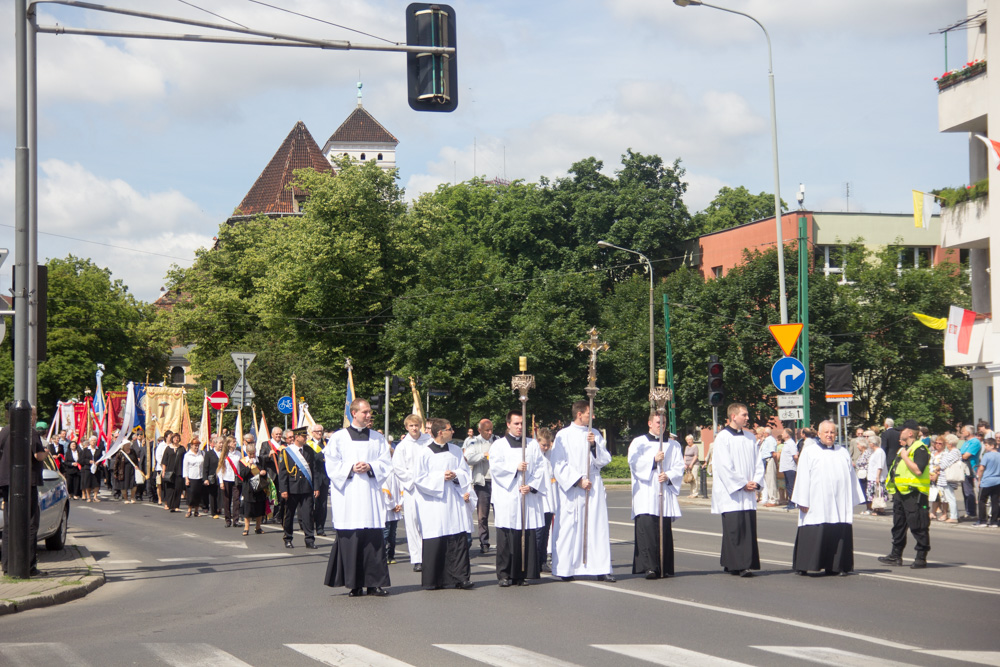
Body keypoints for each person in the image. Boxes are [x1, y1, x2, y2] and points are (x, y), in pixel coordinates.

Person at [324, 398, 392, 596]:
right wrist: (351, 468)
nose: (369, 415)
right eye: (365, 412)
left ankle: (374, 583)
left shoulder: (378, 438)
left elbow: (386, 463)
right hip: (349, 494)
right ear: (354, 413)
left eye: (370, 412)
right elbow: (331, 465)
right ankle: (354, 584)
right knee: (352, 538)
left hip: (370, 494)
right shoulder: (338, 438)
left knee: (373, 539)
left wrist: (371, 466)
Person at [550, 400, 615, 582]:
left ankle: (601, 567)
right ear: (579, 414)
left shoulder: (594, 433)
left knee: (597, 526)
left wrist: (594, 446)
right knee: (570, 527)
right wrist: (577, 480)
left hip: (593, 484)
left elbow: (604, 460)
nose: (592, 417)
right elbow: (557, 463)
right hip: (572, 488)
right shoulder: (563, 435)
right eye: (589, 414)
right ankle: (566, 568)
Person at [791, 421, 865, 576]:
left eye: (832, 432)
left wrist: (852, 498)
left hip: (838, 502)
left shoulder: (842, 452)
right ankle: (805, 565)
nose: (829, 435)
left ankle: (836, 566)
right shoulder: (810, 451)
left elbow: (851, 476)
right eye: (826, 432)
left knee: (837, 530)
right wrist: (802, 499)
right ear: (819, 434)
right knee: (815, 529)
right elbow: (803, 476)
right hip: (816, 501)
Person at [414, 418, 474, 590]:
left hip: (453, 500)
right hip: (434, 502)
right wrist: (441, 477)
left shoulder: (455, 450)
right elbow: (419, 478)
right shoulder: (424, 453)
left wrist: (455, 475)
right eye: (449, 429)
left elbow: (464, 471)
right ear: (440, 432)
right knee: (437, 537)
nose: (453, 431)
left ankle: (460, 577)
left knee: (457, 537)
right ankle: (434, 580)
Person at [489, 410, 547, 587]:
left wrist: (531, 485)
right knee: (506, 537)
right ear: (508, 425)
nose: (520, 427)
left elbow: (540, 467)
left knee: (525, 535)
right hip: (507, 495)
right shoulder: (499, 445)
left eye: (522, 423)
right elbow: (495, 468)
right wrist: (515, 468)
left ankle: (521, 574)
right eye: (516, 423)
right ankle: (504, 574)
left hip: (525, 495)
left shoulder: (532, 444)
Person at [710, 402, 765, 577]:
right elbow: (724, 466)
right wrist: (742, 483)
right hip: (731, 493)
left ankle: (734, 562)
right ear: (733, 416)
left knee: (747, 528)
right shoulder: (722, 438)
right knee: (734, 529)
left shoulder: (750, 438)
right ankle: (739, 564)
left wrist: (755, 482)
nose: (748, 418)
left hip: (748, 492)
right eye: (745, 415)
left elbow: (758, 462)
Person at [627, 412, 684, 579]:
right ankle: (649, 567)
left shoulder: (674, 445)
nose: (662, 425)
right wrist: (653, 460)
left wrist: (668, 475)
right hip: (645, 493)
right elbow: (634, 463)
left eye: (664, 422)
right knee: (647, 531)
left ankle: (664, 566)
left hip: (663, 492)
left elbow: (679, 467)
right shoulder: (639, 442)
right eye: (658, 422)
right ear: (650, 423)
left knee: (663, 530)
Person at [0, 408, 52, 576]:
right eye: (34, 415)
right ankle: (28, 565)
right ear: (29, 416)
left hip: (8, 482)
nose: (35, 419)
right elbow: (38, 456)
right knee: (30, 524)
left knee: (9, 525)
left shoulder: (6, 431)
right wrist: (46, 452)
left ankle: (7, 564)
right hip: (27, 482)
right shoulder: (31, 432)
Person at [879, 424, 931, 569]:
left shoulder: (920, 448)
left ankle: (921, 558)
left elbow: (918, 470)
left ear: (909, 433)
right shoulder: (904, 449)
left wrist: (905, 457)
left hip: (915, 494)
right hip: (901, 493)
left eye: (902, 430)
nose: (899, 433)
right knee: (898, 526)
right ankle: (895, 556)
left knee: (918, 525)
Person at [392, 414, 430, 572]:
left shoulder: (428, 442)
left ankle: (429, 555)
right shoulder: (402, 446)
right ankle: (417, 558)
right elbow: (398, 468)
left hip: (428, 488)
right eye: (411, 426)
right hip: (411, 489)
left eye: (417, 425)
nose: (414, 428)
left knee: (427, 522)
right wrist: (413, 480)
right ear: (406, 427)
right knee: (412, 522)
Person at [277, 429, 323, 549]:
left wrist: (316, 487)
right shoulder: (287, 452)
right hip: (292, 488)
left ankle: (309, 540)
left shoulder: (308, 450)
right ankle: (288, 538)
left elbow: (314, 470)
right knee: (289, 515)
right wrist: (284, 490)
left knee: (308, 514)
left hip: (307, 488)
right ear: (297, 437)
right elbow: (282, 473)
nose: (306, 438)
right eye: (303, 436)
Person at [463, 418, 497, 555]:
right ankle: (484, 542)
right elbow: (468, 458)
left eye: (491, 430)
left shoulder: (497, 440)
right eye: (486, 430)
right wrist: (483, 455)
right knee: (482, 515)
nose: (489, 433)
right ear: (480, 430)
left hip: (496, 482)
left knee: (499, 512)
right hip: (482, 482)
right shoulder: (474, 442)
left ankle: (502, 540)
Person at [535, 427, 556, 572]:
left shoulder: (551, 454)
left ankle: (542, 561)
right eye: (544, 445)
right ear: (538, 442)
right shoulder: (534, 453)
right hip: (537, 497)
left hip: (549, 497)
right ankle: (535, 561)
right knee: (537, 532)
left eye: (548, 444)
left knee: (546, 530)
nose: (546, 447)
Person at [238, 442, 268, 536]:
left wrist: (264, 472)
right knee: (248, 509)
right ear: (247, 452)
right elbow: (242, 475)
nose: (252, 455)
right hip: (249, 488)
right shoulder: (243, 461)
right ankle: (246, 528)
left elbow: (265, 471)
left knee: (259, 508)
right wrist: (249, 466)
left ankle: (258, 527)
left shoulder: (260, 460)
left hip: (259, 487)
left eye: (253, 453)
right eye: (250, 454)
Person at [306, 424, 330, 536]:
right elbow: (311, 459)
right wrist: (322, 454)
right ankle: (309, 525)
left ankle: (320, 528)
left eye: (321, 431)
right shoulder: (308, 445)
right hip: (312, 478)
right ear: (312, 432)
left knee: (323, 505)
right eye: (317, 431)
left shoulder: (327, 444)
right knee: (312, 504)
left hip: (324, 478)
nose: (319, 433)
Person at [258, 427, 285, 524]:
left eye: (280, 434)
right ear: (272, 435)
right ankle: (264, 516)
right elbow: (260, 458)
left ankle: (277, 516)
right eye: (276, 434)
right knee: (267, 496)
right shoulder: (266, 444)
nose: (278, 436)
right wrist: (268, 455)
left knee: (280, 496)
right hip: (270, 473)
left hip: (281, 474)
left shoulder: (284, 445)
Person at [973, 437, 999, 527]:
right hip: (997, 481)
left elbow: (981, 468)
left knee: (982, 501)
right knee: (995, 501)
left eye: (986, 445)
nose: (985, 447)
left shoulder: (987, 455)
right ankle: (994, 521)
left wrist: (979, 479)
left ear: (992, 446)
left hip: (987, 481)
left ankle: (982, 520)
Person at [959, 425, 982, 521]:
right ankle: (968, 511)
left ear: (968, 432)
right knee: (965, 492)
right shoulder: (966, 442)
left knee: (969, 492)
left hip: (970, 470)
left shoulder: (975, 442)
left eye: (963, 431)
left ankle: (972, 513)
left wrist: (961, 455)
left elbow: (965, 456)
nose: (962, 433)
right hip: (963, 470)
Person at [938, 434, 963, 523]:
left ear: (950, 443)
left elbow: (944, 464)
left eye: (946, 442)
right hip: (946, 478)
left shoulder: (953, 452)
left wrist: (938, 467)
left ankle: (954, 516)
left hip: (948, 478)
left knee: (950, 498)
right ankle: (955, 515)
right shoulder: (953, 452)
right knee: (950, 497)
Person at [219, 436, 243, 528]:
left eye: (235, 441)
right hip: (226, 478)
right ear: (228, 443)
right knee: (227, 500)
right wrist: (221, 481)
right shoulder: (224, 454)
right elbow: (220, 469)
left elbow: (240, 466)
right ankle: (228, 519)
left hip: (236, 479)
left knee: (236, 500)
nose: (235, 443)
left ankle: (236, 520)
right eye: (233, 442)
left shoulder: (238, 454)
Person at [161, 433, 185, 512]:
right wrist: (163, 471)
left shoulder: (182, 449)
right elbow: (164, 461)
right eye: (174, 438)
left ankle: (176, 505)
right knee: (170, 489)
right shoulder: (168, 449)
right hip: (169, 472)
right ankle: (169, 504)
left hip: (179, 471)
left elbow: (185, 460)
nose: (176, 439)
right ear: (172, 439)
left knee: (178, 489)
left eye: (177, 438)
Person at [183, 438, 205, 518]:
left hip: (200, 476)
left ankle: (196, 510)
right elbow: (185, 468)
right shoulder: (187, 455)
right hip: (191, 477)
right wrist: (186, 478)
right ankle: (189, 510)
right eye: (195, 445)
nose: (196, 447)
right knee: (191, 494)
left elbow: (204, 465)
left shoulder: (201, 453)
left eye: (198, 446)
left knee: (198, 494)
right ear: (191, 446)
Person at [865, 436, 887, 515]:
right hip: (872, 476)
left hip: (877, 477)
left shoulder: (879, 452)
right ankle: (877, 508)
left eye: (869, 443)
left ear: (873, 444)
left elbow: (880, 465)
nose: (869, 444)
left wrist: (877, 476)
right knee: (874, 493)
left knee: (878, 493)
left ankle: (879, 509)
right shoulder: (875, 452)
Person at [758, 427, 779, 506]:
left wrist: (776, 463)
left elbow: (773, 453)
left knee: (771, 481)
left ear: (767, 433)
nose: (762, 434)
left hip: (769, 460)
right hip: (766, 460)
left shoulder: (770, 440)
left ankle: (773, 500)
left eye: (763, 432)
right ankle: (771, 498)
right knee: (768, 480)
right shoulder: (766, 440)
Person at [778, 428, 798, 511]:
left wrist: (797, 465)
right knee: (788, 486)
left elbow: (795, 456)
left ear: (787, 435)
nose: (782, 435)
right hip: (786, 467)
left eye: (783, 433)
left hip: (790, 467)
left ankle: (793, 503)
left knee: (791, 486)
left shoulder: (791, 443)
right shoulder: (786, 443)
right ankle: (790, 502)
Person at [202, 435, 221, 518]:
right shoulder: (209, 453)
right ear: (215, 444)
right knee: (212, 494)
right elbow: (205, 466)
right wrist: (205, 478)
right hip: (212, 477)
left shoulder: (223, 453)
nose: (221, 445)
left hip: (222, 476)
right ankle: (213, 511)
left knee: (220, 494)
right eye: (220, 443)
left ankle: (219, 508)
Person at [80, 436, 102, 503]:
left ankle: (95, 497)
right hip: (88, 468)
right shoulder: (86, 450)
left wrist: (98, 462)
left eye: (95, 440)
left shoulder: (98, 450)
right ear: (89, 442)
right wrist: (89, 461)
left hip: (96, 468)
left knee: (96, 483)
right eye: (92, 440)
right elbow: (81, 460)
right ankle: (88, 497)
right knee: (88, 483)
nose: (93, 442)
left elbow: (101, 458)